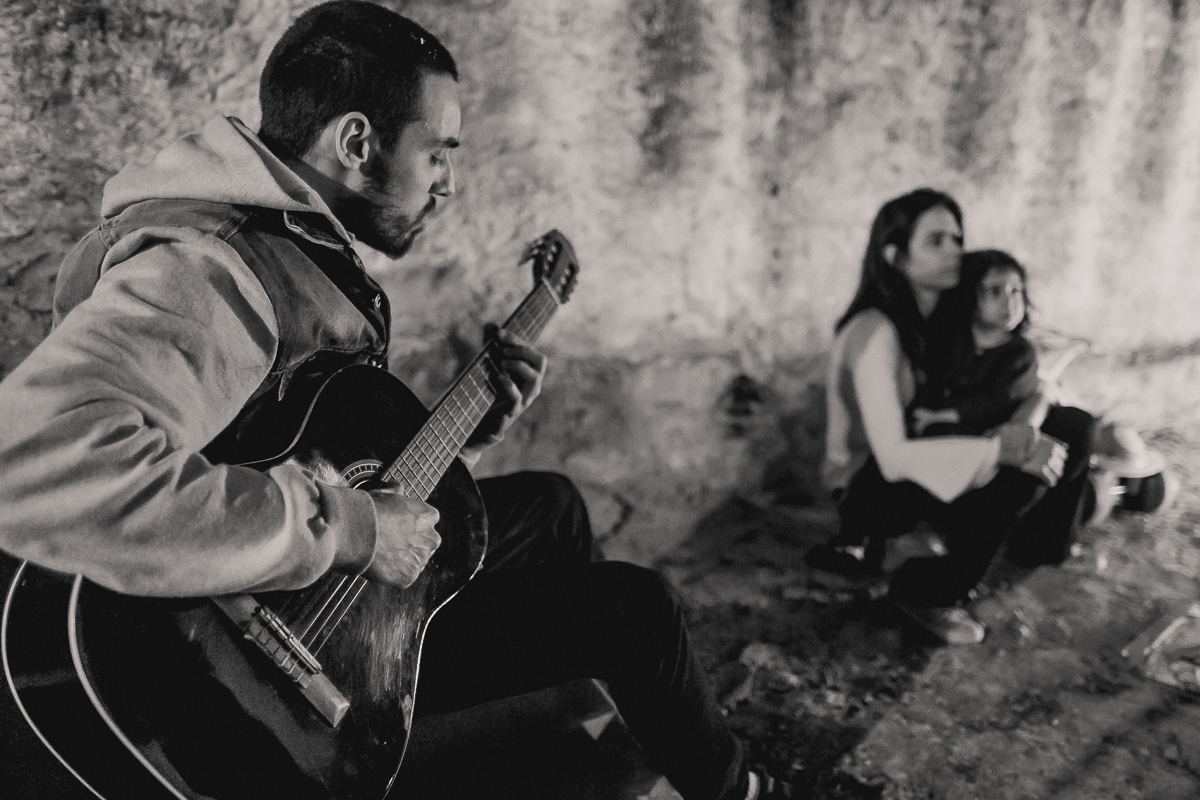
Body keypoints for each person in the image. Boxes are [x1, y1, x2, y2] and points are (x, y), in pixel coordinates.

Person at [0, 3, 794, 799]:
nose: (449, 182)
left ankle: (574, 735)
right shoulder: (209, 270)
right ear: (355, 144)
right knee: (637, 608)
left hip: (313, 588)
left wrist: (467, 440)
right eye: (439, 151)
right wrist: (351, 529)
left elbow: (281, 439)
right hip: (280, 654)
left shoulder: (293, 239)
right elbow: (29, 464)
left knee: (551, 507)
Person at [807, 188, 1092, 645]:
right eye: (936, 241)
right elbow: (894, 457)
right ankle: (928, 590)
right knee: (1025, 464)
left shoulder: (933, 320)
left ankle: (1037, 546)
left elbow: (1022, 383)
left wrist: (1028, 418)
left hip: (923, 455)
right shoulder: (876, 332)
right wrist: (1006, 448)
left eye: (957, 238)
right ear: (896, 257)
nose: (955, 250)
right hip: (870, 484)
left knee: (1072, 426)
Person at [911, 249, 1046, 438]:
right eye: (994, 291)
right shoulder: (952, 340)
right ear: (968, 296)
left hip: (990, 432)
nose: (1009, 302)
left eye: (1015, 290)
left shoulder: (1021, 353)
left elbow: (996, 403)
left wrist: (939, 416)